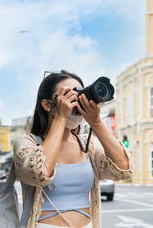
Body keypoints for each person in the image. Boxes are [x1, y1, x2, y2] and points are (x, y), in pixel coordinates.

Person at [13, 70, 133, 228]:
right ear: (48, 104)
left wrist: (96, 123)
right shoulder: (27, 142)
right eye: (68, 96)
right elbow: (38, 173)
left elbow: (124, 170)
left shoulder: (87, 145)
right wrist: (60, 118)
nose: (74, 103)